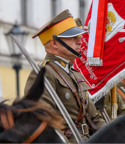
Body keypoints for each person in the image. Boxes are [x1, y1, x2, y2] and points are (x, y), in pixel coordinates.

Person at [24, 10, 106, 143]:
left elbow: (94, 116)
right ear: (54, 43)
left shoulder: (75, 73)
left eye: (78, 37)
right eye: (73, 38)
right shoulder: (44, 72)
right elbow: (43, 121)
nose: (79, 41)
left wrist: (112, 136)